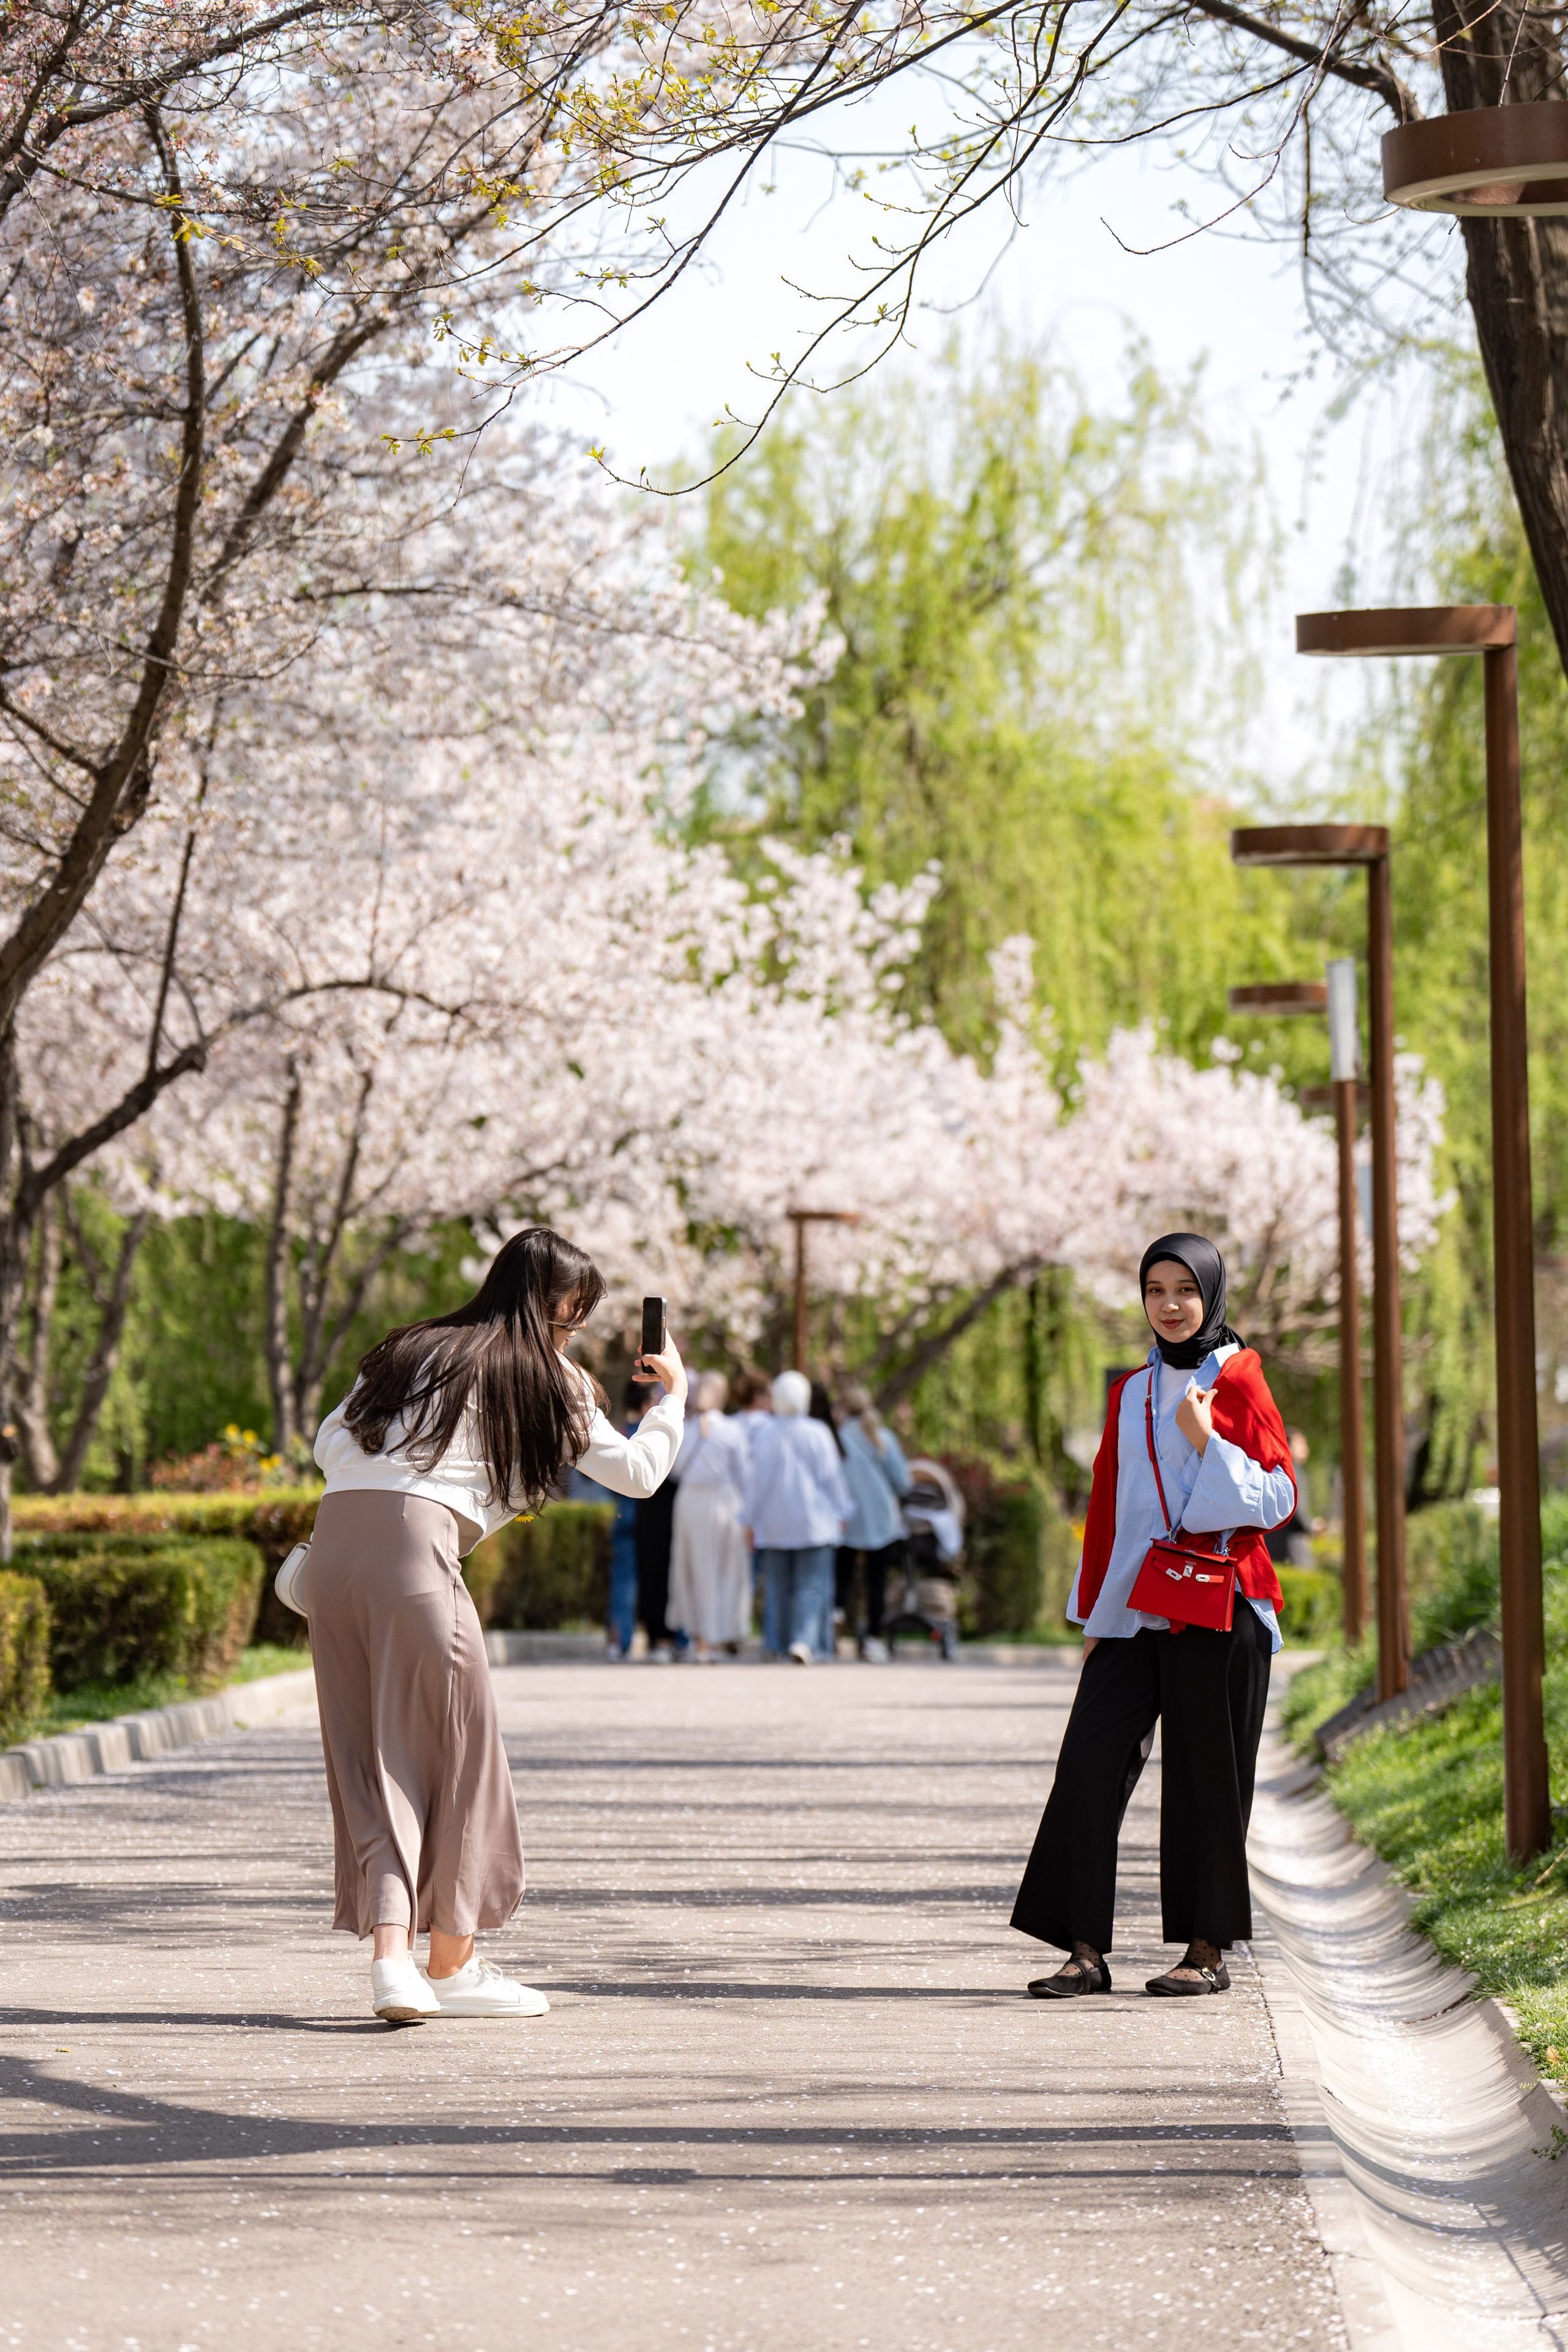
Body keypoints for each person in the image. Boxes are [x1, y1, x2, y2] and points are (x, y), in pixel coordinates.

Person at [309, 1225, 686, 2022]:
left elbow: (327, 1444)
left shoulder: (408, 1348)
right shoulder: (548, 1374)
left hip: (332, 1554)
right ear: (558, 1306)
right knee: (464, 1763)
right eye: (573, 1316)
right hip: (417, 1555)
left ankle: (394, 1964)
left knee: (373, 1763)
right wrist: (672, 1401)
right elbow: (641, 1476)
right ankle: (449, 1964)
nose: (572, 1331)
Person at [1011, 1232, 1295, 2000]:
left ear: (1211, 1295)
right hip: (1136, 1605)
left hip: (1220, 1600)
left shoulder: (1238, 1378)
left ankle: (1205, 1952)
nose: (1169, 1305)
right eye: (1155, 1290)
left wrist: (1209, 1442)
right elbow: (1110, 1508)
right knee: (1088, 1766)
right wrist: (1094, 1619)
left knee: (1209, 1780)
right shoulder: (1129, 1391)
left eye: (1185, 1290)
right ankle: (1083, 1950)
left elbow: (1278, 1498)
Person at [745, 1370, 851, 1662]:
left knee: (778, 1585)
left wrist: (749, 1520)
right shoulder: (818, 1432)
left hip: (775, 1523)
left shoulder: (765, 1433)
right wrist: (844, 1511)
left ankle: (777, 1642)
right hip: (815, 1522)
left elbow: (756, 1483)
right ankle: (806, 1641)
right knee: (812, 1584)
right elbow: (832, 1479)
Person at [668, 1373, 752, 1657]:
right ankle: (716, 1637)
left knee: (694, 1570)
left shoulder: (685, 1429)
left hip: (690, 1502)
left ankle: (699, 1637)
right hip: (724, 1502)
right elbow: (745, 1475)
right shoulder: (732, 1430)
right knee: (724, 1572)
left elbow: (675, 1469)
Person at [836, 1382, 912, 1662]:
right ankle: (872, 1639)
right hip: (881, 1519)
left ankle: (837, 1614)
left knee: (842, 1576)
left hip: (847, 1518)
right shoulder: (883, 1437)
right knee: (876, 1581)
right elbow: (903, 1482)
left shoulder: (838, 1438)